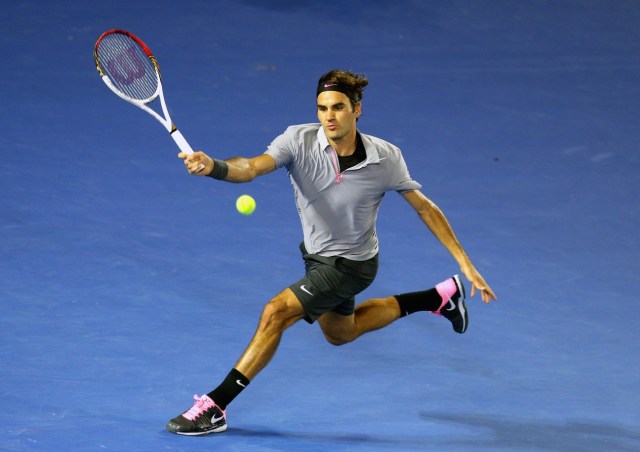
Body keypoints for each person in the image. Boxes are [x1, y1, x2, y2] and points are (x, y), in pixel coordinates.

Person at [166, 69, 497, 435]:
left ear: (357, 109)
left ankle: (216, 406)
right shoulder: (298, 140)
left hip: (352, 266)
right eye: (322, 108)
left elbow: (425, 208)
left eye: (338, 107)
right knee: (341, 333)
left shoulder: (386, 158)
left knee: (276, 313)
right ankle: (438, 298)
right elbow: (251, 167)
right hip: (316, 257)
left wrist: (466, 263)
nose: (329, 117)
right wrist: (213, 167)